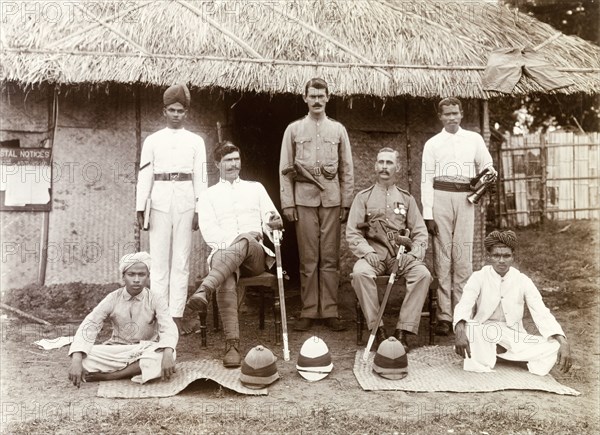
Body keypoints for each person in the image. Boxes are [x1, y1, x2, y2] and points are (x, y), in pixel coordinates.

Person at [186, 142, 283, 368]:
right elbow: (210, 233)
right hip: (223, 253)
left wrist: (274, 223)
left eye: (236, 159)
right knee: (227, 275)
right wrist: (237, 240)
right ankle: (232, 345)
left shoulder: (256, 188)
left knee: (247, 239)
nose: (233, 164)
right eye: (228, 160)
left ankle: (205, 289)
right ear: (217, 164)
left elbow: (271, 219)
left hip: (255, 256)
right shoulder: (208, 195)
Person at [279, 77, 354, 331]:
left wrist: (346, 202)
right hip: (304, 200)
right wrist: (288, 203)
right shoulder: (294, 129)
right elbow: (285, 169)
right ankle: (309, 309)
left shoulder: (338, 130)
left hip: (332, 200)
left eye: (321, 96)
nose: (317, 100)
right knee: (309, 257)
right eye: (313, 96)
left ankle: (330, 310)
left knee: (330, 257)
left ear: (328, 98)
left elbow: (347, 169)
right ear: (305, 98)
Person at [420, 97, 497, 336]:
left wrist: (484, 181)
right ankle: (444, 315)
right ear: (440, 117)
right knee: (443, 258)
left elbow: (488, 165)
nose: (452, 118)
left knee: (462, 257)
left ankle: (461, 314)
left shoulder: (473, 139)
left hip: (465, 199)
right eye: (447, 114)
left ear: (461, 114)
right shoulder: (432, 143)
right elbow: (426, 179)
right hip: (440, 197)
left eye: (455, 113)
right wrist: (428, 214)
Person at [135, 84, 207, 335]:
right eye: (172, 110)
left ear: (186, 112)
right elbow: (144, 175)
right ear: (164, 111)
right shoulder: (153, 140)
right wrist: (140, 206)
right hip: (159, 200)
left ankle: (176, 315)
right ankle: (158, 314)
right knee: (158, 260)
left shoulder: (196, 141)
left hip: (186, 199)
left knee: (181, 259)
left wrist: (200, 207)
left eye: (181, 110)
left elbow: (201, 175)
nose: (176, 114)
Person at [454, 231, 572, 376]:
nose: (501, 260)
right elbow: (464, 304)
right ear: (489, 257)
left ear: (513, 257)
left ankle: (499, 355)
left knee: (553, 346)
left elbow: (541, 311)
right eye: (497, 255)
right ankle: (508, 357)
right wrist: (460, 331)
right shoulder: (478, 277)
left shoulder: (522, 280)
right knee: (470, 327)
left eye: (506, 256)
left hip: (513, 336)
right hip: (483, 331)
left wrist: (563, 341)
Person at [347, 148, 431, 351]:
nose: (384, 167)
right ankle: (378, 329)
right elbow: (353, 232)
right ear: (375, 166)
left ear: (397, 168)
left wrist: (413, 255)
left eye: (389, 163)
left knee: (423, 274)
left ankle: (403, 330)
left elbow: (420, 233)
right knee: (359, 274)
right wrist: (367, 252)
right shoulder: (363, 198)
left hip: (399, 257)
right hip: (373, 256)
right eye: (381, 162)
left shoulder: (406, 199)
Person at [68, 252, 178, 387]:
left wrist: (167, 352)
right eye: (131, 274)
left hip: (145, 349)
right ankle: (134, 370)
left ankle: (112, 375)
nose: (136, 279)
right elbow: (90, 324)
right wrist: (77, 358)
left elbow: (168, 326)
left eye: (141, 274)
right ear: (123, 277)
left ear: (148, 276)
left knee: (168, 354)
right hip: (116, 350)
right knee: (84, 357)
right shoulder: (113, 298)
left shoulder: (156, 299)